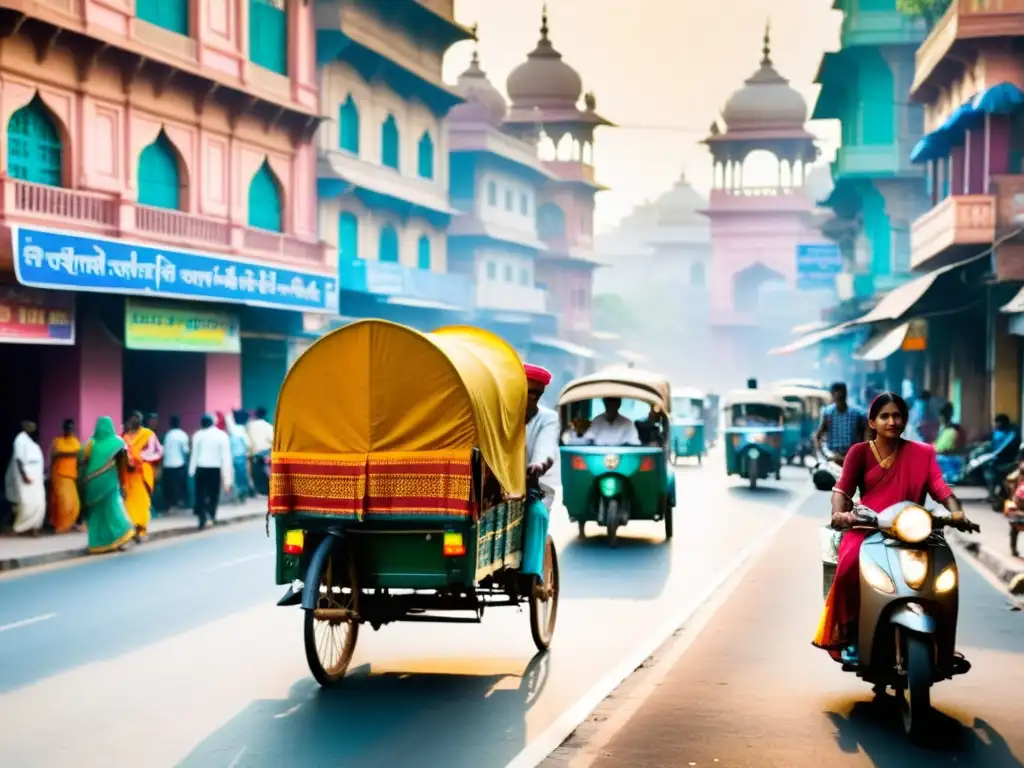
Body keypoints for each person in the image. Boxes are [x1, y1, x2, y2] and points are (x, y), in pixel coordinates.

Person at [813, 393, 971, 662]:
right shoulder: (859, 452)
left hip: (916, 529)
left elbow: (940, 487)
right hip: (867, 527)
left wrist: (957, 512)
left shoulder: (922, 453)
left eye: (897, 415)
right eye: (884, 416)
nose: (892, 421)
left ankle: (943, 644)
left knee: (945, 576)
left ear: (905, 419)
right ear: (872, 422)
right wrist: (840, 513)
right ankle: (850, 632)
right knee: (849, 566)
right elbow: (842, 489)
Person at [79, 416, 136, 554]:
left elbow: (81, 460)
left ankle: (97, 544)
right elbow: (126, 463)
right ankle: (122, 538)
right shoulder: (117, 442)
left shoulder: (89, 444)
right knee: (113, 510)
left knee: (96, 515)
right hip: (109, 483)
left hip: (91, 484)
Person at [121, 411, 163, 542]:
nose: (134, 421)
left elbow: (158, 452)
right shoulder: (124, 437)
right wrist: (128, 461)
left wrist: (141, 458)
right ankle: (132, 528)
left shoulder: (148, 435)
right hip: (128, 475)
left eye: (137, 418)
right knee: (129, 503)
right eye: (132, 418)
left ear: (140, 420)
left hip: (143, 474)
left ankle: (141, 529)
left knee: (143, 502)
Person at [525, 364, 560, 508]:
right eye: (529, 392)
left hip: (534, 488)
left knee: (537, 514)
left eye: (536, 395)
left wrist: (538, 466)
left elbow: (546, 447)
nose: (532, 397)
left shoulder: (547, 418)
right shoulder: (497, 414)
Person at [190, 413, 234, 529]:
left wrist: (191, 471)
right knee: (213, 494)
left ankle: (202, 517)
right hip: (214, 469)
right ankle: (211, 515)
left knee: (200, 494)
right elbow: (226, 457)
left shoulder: (197, 435)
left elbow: (194, 455)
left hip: (200, 468)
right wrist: (227, 479)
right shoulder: (221, 435)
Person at [4, 421, 46, 535]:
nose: (33, 427)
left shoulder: (32, 443)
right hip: (26, 478)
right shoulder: (20, 439)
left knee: (39, 503)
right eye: (29, 425)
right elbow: (19, 459)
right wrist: (24, 475)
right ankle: (19, 528)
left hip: (36, 479)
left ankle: (34, 527)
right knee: (26, 503)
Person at [814, 382, 868, 462]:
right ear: (832, 395)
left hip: (852, 457)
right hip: (832, 457)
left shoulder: (858, 414)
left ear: (846, 394)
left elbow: (866, 434)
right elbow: (819, 435)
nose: (839, 395)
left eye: (841, 392)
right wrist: (822, 453)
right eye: (836, 393)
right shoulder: (827, 413)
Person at [48, 419, 81, 534]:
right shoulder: (57, 441)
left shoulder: (75, 441)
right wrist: (71, 453)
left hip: (71, 476)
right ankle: (60, 526)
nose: (69, 430)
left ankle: (68, 524)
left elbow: (79, 456)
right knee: (64, 502)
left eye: (71, 428)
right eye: (67, 428)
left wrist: (62, 454)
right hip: (59, 475)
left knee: (75, 504)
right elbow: (53, 455)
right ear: (64, 428)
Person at [571, 397, 641, 447]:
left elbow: (634, 442)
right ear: (605, 404)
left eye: (613, 404)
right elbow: (589, 438)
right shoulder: (597, 420)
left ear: (618, 405)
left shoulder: (627, 423)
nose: (611, 407)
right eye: (608, 404)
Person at [161, 415, 190, 511]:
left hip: (167, 464)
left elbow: (164, 451)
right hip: (178, 464)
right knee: (179, 486)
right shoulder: (182, 435)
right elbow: (185, 451)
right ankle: (178, 504)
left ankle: (168, 506)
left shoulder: (167, 435)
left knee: (168, 486)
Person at [226, 410, 253, 502]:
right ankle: (242, 495)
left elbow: (228, 418)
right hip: (240, 456)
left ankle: (236, 495)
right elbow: (248, 444)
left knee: (234, 477)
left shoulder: (232, 429)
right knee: (241, 476)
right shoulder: (241, 430)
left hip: (231, 456)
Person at [247, 406, 273, 495]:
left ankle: (257, 490)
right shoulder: (267, 426)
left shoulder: (250, 425)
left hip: (254, 453)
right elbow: (273, 439)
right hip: (266, 452)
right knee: (269, 472)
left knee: (255, 473)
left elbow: (248, 441)